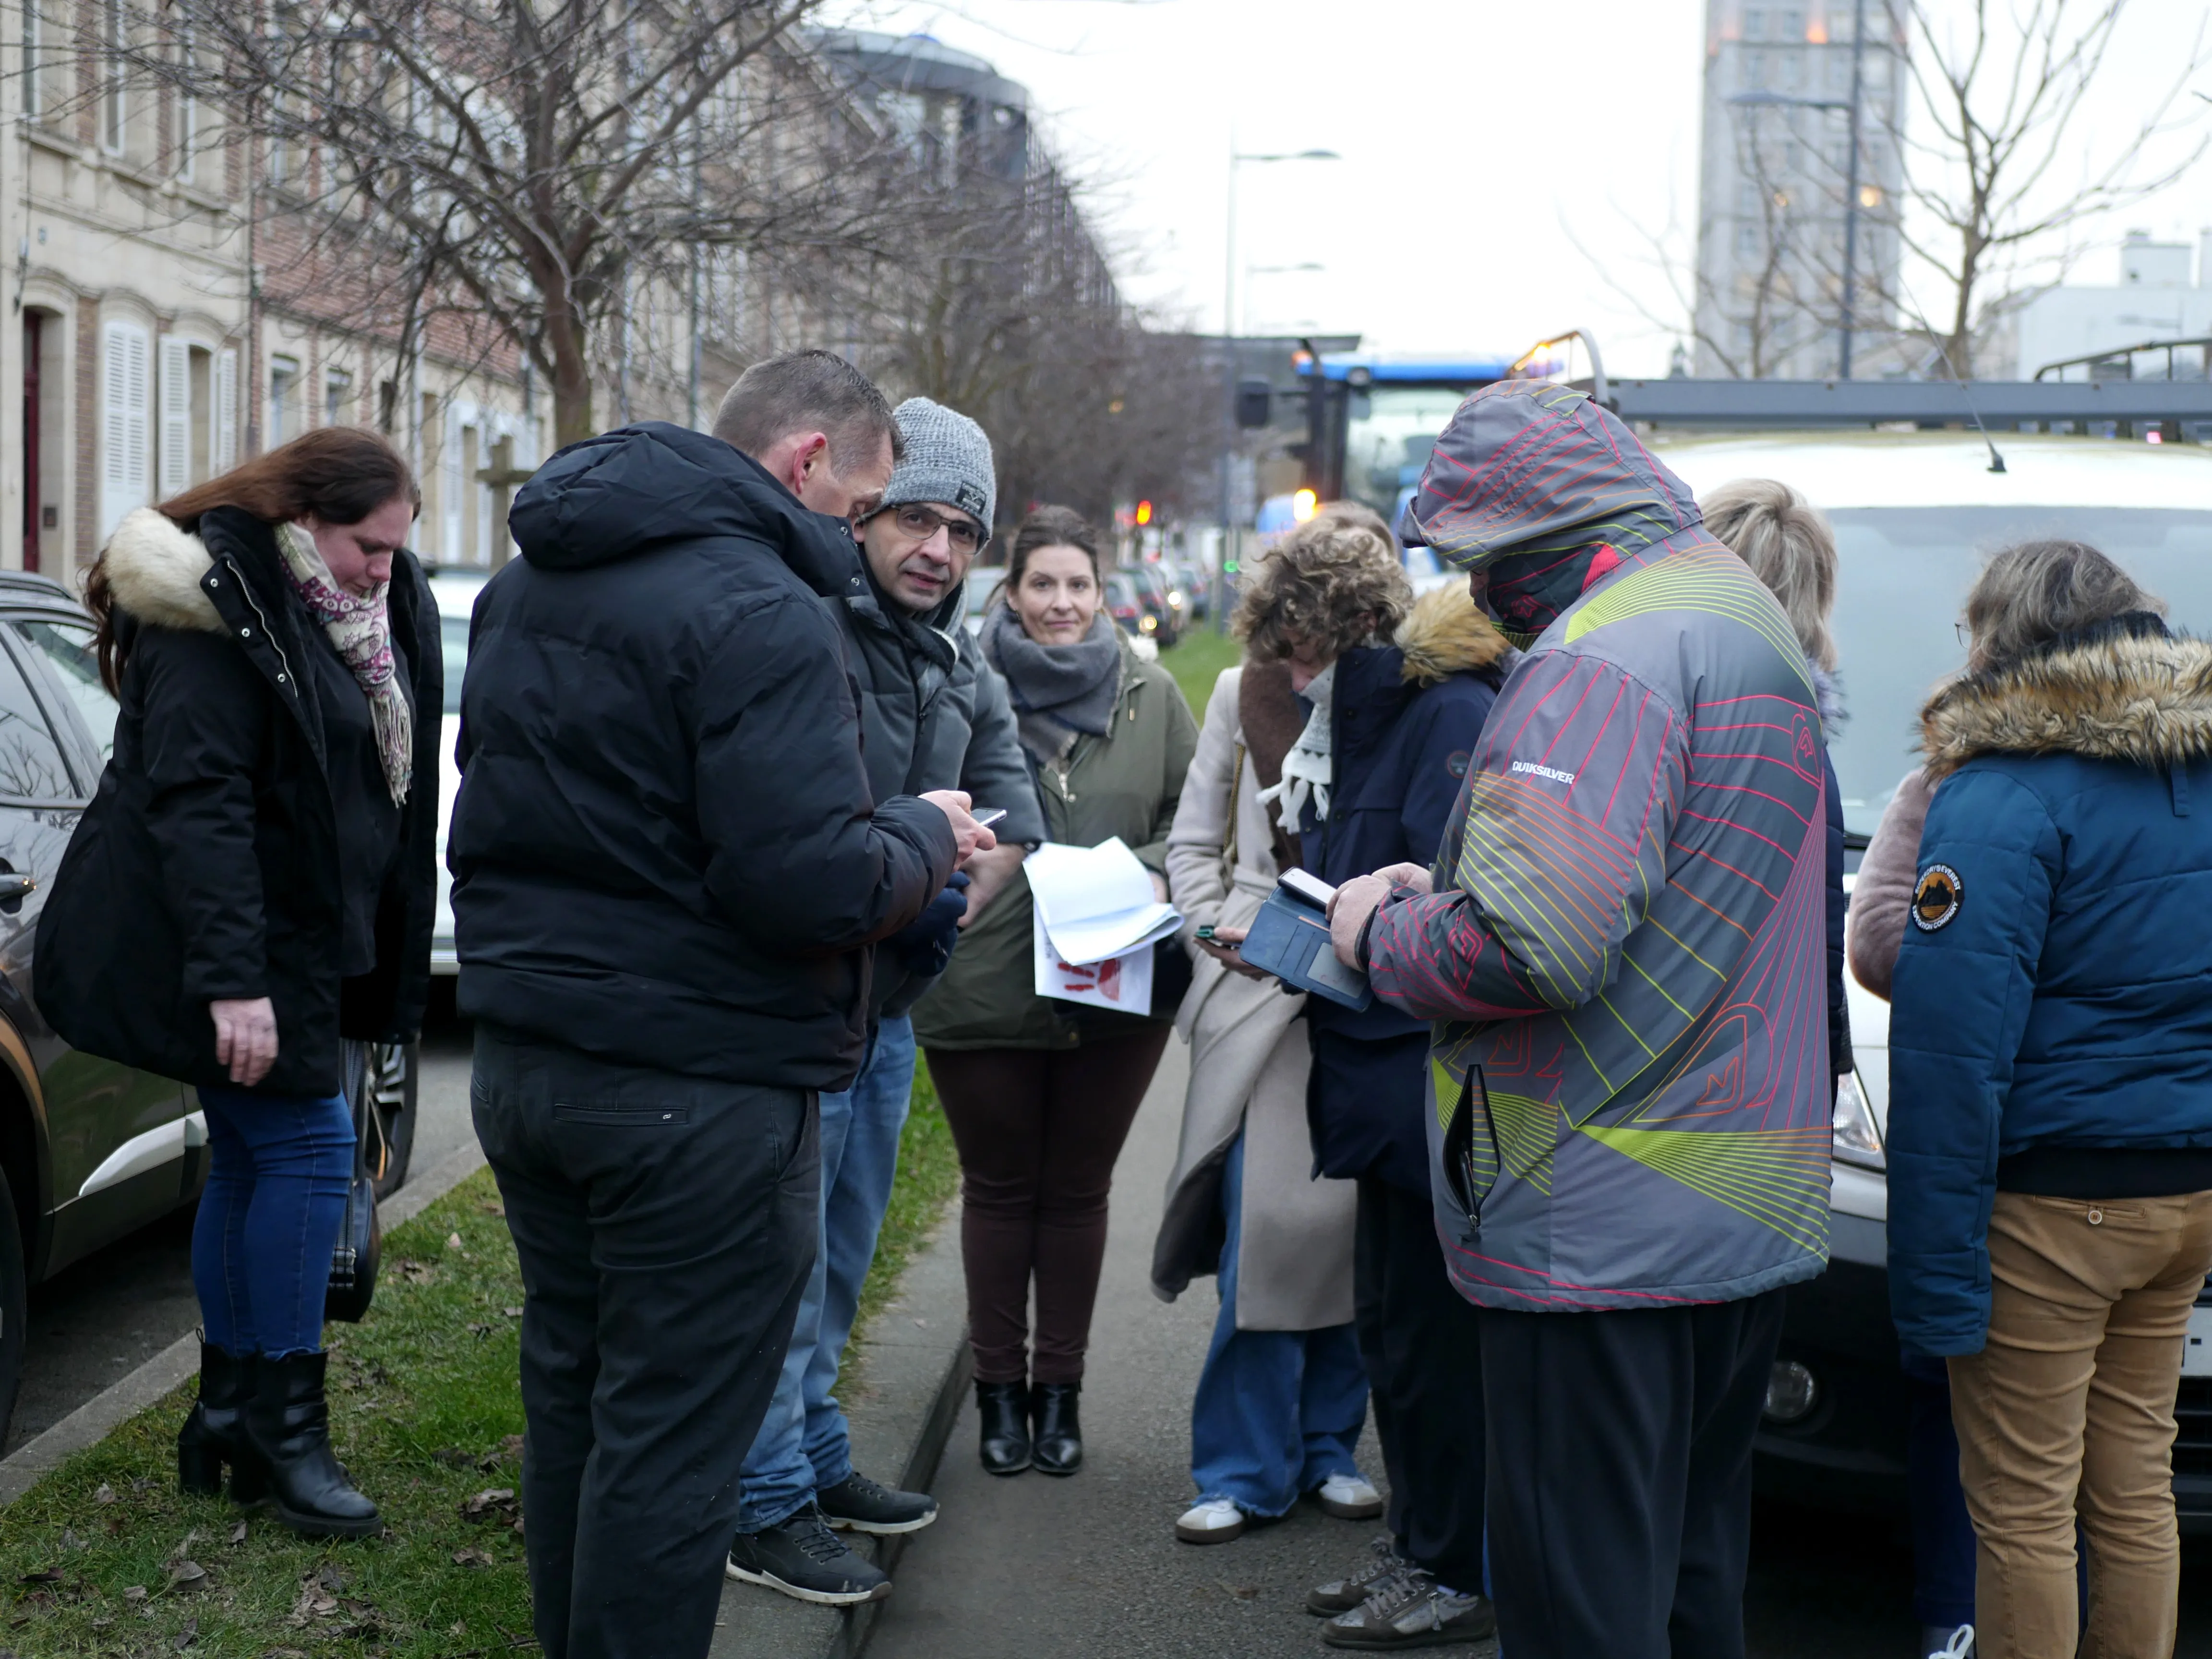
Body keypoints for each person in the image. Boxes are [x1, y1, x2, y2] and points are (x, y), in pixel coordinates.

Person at [451, 349, 991, 1659]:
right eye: (866, 506)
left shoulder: (528, 585)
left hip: (531, 1070)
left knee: (577, 1406)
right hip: (697, 1094)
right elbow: (808, 882)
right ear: (809, 466)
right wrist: (925, 829)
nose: (862, 538)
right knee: (673, 1446)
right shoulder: (761, 608)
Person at [1333, 383, 1832, 1659]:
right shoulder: (1740, 617)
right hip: (1739, 1190)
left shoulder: (1600, 656)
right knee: (1687, 1576)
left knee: (1578, 1604)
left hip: (1594, 1220)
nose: (1477, 595)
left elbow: (1528, 946)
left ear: (1531, 542)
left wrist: (1380, 928)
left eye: (1479, 564)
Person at [36, 429, 442, 1540]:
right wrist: (235, 985)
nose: (385, 570)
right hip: (231, 948)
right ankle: (283, 1428)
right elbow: (200, 806)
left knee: (257, 1154)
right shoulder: (211, 614)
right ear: (298, 518)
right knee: (308, 1152)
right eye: (369, 546)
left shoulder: (347, 606)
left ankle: (224, 1415)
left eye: (400, 551)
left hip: (302, 938)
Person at [1157, 503, 1512, 1652]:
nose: (1291, 673)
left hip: (1389, 1043)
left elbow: (1428, 889)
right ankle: (1313, 1498)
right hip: (1314, 1032)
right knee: (1323, 1282)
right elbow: (1208, 846)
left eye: (1304, 649)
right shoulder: (1300, 700)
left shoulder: (1427, 709)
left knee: (1391, 1300)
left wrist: (1352, 931)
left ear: (1360, 626)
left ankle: (1382, 1504)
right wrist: (1232, 929)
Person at [728, 397, 1045, 1605]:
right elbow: (813, 844)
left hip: (890, 1009)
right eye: (917, 517)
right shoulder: (806, 630)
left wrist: (932, 859)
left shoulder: (961, 657)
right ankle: (761, 1506)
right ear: (863, 514)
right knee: (782, 1273)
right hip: (796, 1013)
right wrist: (927, 852)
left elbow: (1012, 822)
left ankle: (814, 1459)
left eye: (965, 531)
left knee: (843, 1260)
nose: (940, 550)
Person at [1887, 539, 2212, 1659]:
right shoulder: (2200, 769)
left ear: (2002, 636)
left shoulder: (2001, 790)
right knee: (2135, 1487)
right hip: (2186, 1189)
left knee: (2023, 1507)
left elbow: (1948, 1050)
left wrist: (1929, 1282)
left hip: (2052, 1205)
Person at [912, 505, 1198, 1478]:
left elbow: (1199, 825)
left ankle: (1060, 1396)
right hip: (980, 979)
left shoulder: (1151, 696)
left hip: (1114, 979)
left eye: (1079, 585)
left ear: (1102, 591)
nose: (1063, 604)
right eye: (1044, 585)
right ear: (1012, 591)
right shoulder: (950, 685)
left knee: (1077, 1192)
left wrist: (1133, 869)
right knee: (998, 1190)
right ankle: (999, 1395)